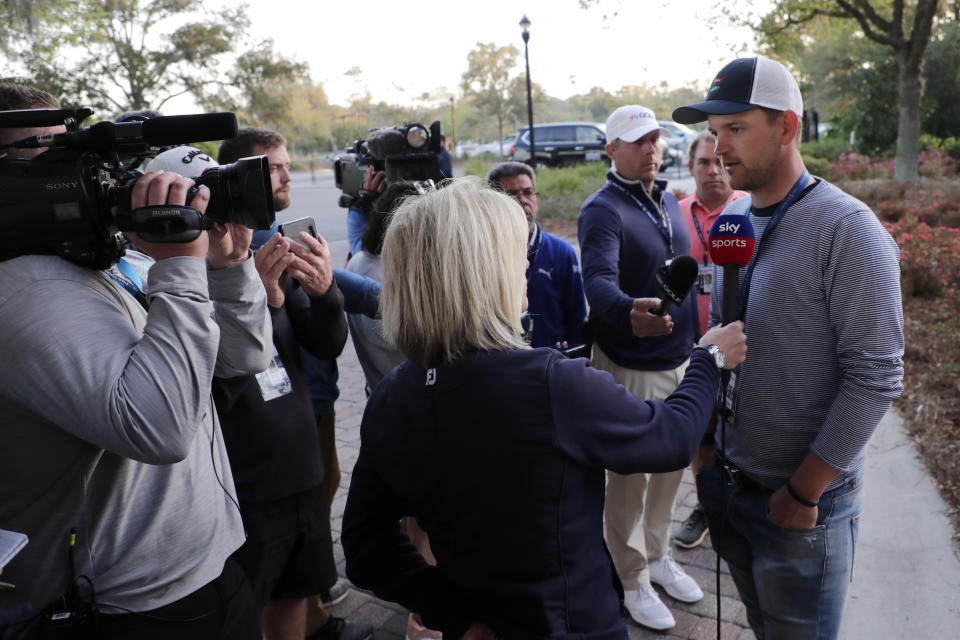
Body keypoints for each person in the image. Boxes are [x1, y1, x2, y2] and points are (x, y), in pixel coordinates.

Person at [341, 178, 747, 638]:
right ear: (486, 275)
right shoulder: (551, 383)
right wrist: (709, 359)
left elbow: (364, 546)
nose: (527, 268)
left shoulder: (393, 396)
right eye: (518, 258)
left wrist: (455, 615)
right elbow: (670, 439)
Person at [0, 86, 271, 639]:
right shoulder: (20, 290)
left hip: (211, 563)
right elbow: (161, 430)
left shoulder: (110, 258)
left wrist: (226, 266)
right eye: (42, 149)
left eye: (71, 144)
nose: (74, 162)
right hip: (134, 606)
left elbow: (243, 358)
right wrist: (180, 266)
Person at [672, 55, 904, 639]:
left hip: (800, 510)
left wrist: (804, 492)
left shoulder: (848, 229)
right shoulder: (737, 213)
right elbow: (724, 331)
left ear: (787, 127)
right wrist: (705, 450)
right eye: (715, 132)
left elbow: (875, 374)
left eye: (737, 128)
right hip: (728, 487)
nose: (721, 149)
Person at [217, 130, 373, 640]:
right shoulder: (197, 266)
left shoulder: (278, 249)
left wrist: (325, 291)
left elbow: (326, 343)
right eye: (274, 168)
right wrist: (256, 299)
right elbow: (219, 378)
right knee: (247, 610)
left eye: (286, 165)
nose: (287, 176)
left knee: (294, 599)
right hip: (247, 480)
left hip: (299, 463)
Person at [578, 105, 704, 631]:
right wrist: (628, 313)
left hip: (678, 357)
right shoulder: (602, 209)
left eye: (654, 139)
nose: (651, 148)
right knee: (629, 478)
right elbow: (599, 283)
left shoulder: (669, 200)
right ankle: (631, 578)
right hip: (631, 363)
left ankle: (657, 554)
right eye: (636, 141)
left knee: (671, 468)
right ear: (611, 150)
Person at [672, 132, 748, 549]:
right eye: (704, 163)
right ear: (692, 168)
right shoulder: (676, 214)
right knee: (702, 434)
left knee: (736, 432)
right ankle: (706, 506)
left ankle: (743, 505)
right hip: (690, 348)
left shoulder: (748, 212)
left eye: (718, 162)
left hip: (741, 350)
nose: (713, 170)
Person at [487, 162, 587, 348]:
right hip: (503, 366)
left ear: (536, 198)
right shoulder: (484, 255)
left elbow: (577, 319)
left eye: (528, 193)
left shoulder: (562, 253)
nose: (523, 201)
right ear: (494, 204)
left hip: (552, 365)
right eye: (511, 195)